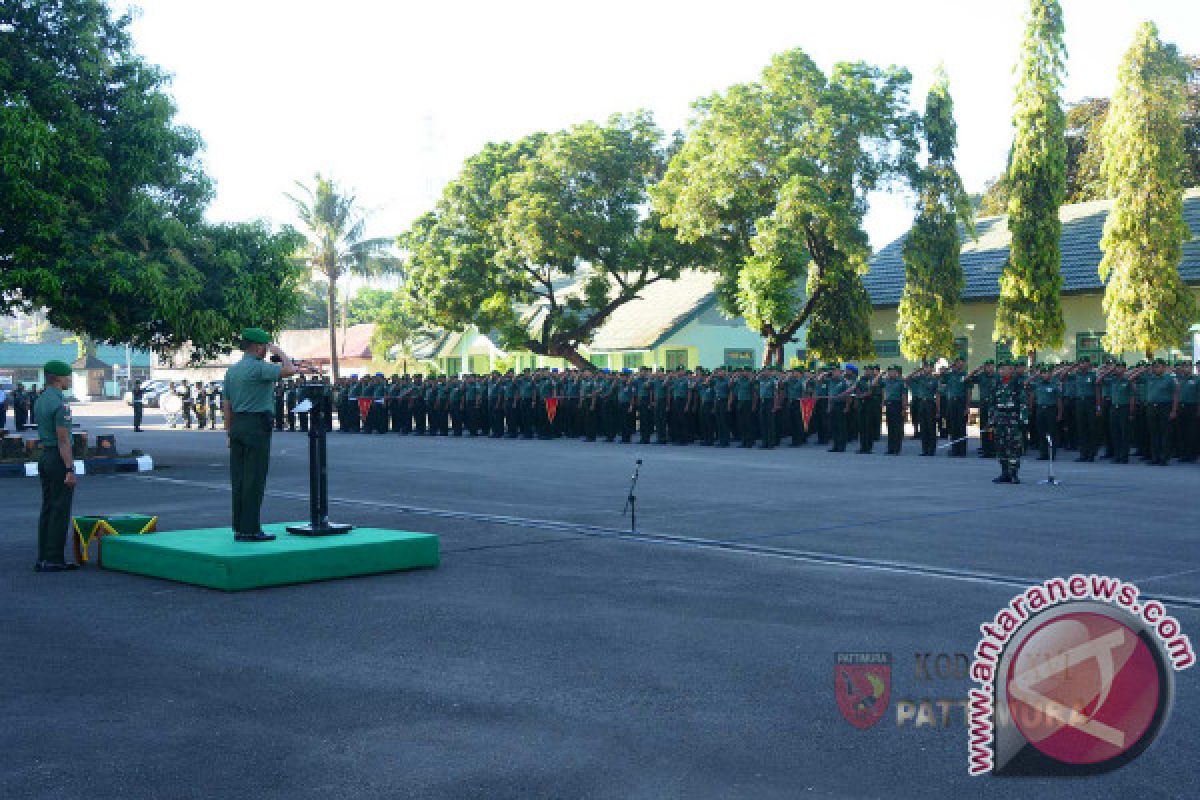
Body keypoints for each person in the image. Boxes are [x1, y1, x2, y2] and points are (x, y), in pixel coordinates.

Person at [222, 328, 299, 542]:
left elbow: (226, 405)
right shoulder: (258, 368)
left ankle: (239, 526)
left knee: (239, 478)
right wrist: (280, 352)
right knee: (254, 478)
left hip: (237, 425)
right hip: (256, 426)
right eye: (265, 347)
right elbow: (290, 370)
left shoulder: (233, 370)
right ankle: (251, 529)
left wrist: (229, 432)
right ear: (257, 347)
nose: (267, 351)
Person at [34, 360, 79, 571]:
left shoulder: (41, 399)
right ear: (58, 378)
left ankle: (43, 556)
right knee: (60, 509)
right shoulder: (61, 404)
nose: (70, 380)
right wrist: (69, 469)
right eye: (68, 376)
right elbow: (63, 440)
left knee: (48, 507)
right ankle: (54, 559)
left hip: (44, 456)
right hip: (58, 458)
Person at [991, 360, 1027, 484]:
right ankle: (1004, 473)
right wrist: (992, 419)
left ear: (1011, 370)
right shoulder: (997, 383)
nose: (1000, 371)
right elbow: (993, 402)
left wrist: (1023, 419)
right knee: (1001, 446)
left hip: (1013, 419)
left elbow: (1023, 402)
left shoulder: (1017, 383)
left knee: (1014, 447)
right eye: (1000, 369)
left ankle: (1014, 474)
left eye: (1003, 368)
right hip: (1000, 418)